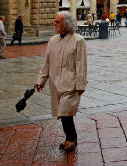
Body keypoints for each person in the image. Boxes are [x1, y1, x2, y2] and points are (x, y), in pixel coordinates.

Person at [35, 11, 87, 153]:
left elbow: (81, 64)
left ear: (66, 24)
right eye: (55, 21)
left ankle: (71, 139)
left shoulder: (78, 40)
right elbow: (46, 62)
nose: (54, 23)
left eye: (57, 21)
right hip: (55, 82)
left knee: (65, 111)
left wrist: (81, 84)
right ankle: (70, 138)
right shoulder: (53, 40)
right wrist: (41, 80)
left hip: (70, 82)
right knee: (63, 112)